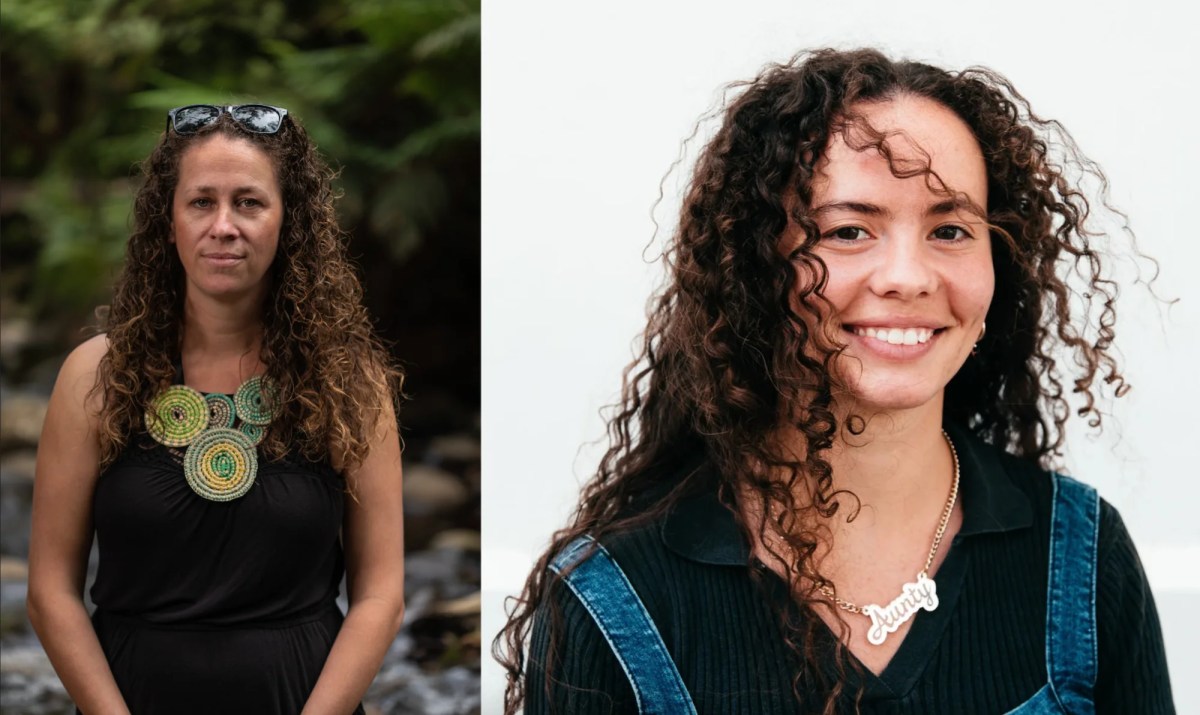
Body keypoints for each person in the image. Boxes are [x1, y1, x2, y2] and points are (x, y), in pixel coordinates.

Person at [495, 49, 1174, 714]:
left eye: (950, 229)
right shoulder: (614, 599)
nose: (907, 276)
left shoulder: (1080, 558)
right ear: (757, 265)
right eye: (849, 230)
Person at [26, 104, 406, 714]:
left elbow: (380, 596)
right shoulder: (95, 376)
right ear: (168, 219)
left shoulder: (348, 382)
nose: (223, 225)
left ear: (290, 221)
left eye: (250, 203)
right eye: (202, 201)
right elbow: (49, 592)